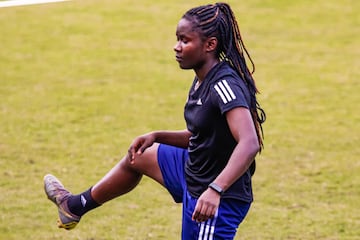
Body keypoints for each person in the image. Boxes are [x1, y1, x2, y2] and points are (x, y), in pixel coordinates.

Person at [44, 2, 266, 239]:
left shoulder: (224, 86)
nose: (176, 47)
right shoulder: (202, 79)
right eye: (177, 39)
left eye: (184, 40)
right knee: (139, 155)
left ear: (210, 45)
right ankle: (74, 206)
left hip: (218, 196)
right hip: (194, 172)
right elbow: (202, 135)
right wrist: (156, 136)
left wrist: (215, 190)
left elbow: (249, 142)